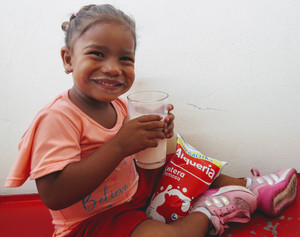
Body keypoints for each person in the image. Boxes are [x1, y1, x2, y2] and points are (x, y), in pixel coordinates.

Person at [5, 4, 297, 237]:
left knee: (179, 158)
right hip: (93, 221)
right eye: (97, 54)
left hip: (133, 191)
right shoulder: (57, 118)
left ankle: (250, 185)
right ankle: (210, 210)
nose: (112, 68)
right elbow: (54, 195)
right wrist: (121, 145)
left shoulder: (120, 106)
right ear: (68, 59)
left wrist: (159, 134)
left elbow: (141, 156)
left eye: (125, 59)